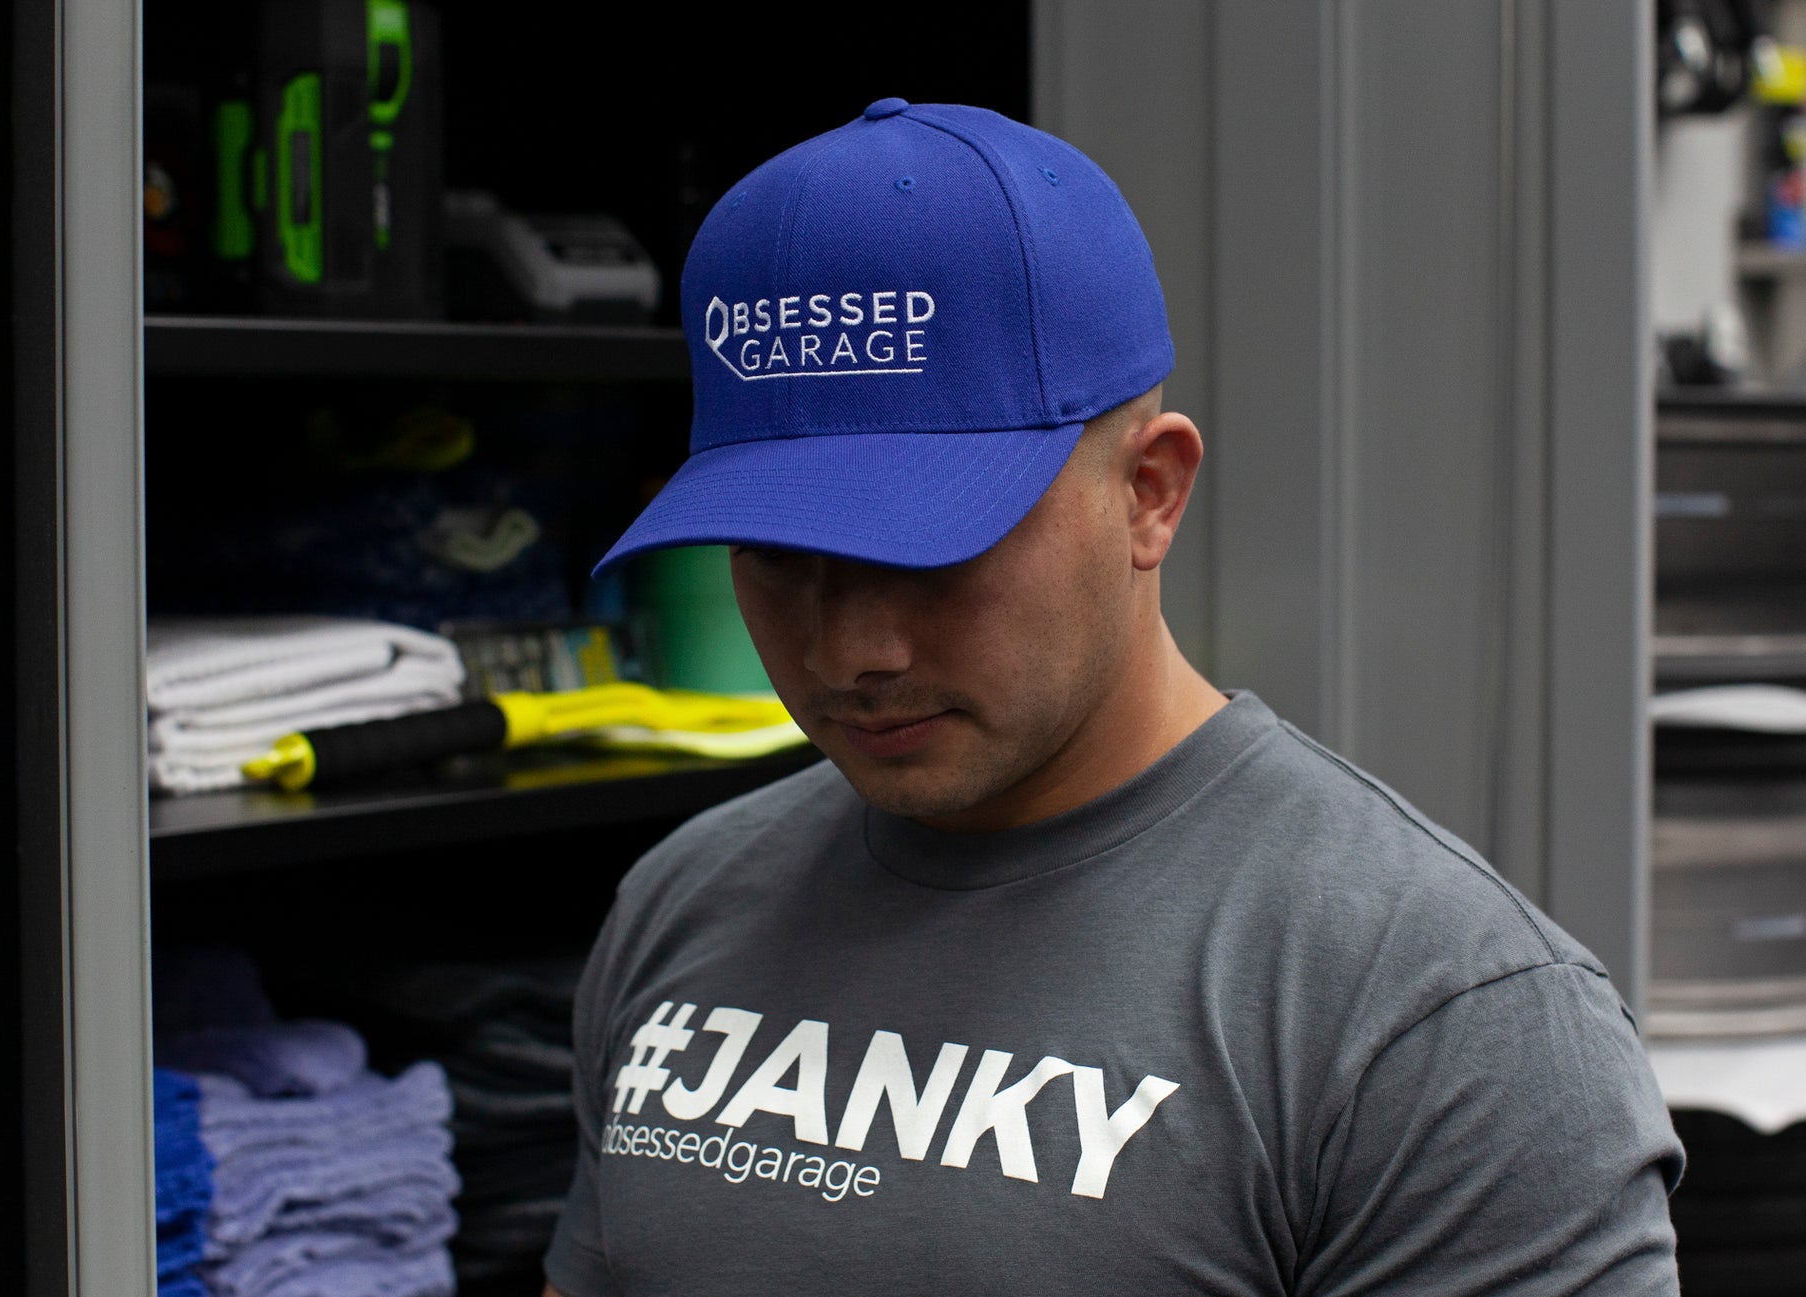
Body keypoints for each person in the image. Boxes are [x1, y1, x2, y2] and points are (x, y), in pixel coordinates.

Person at [541, 99, 1683, 1296]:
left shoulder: (1435, 1021)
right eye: (776, 554)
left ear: (1149, 492)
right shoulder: (684, 901)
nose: (848, 651)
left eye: (932, 551)